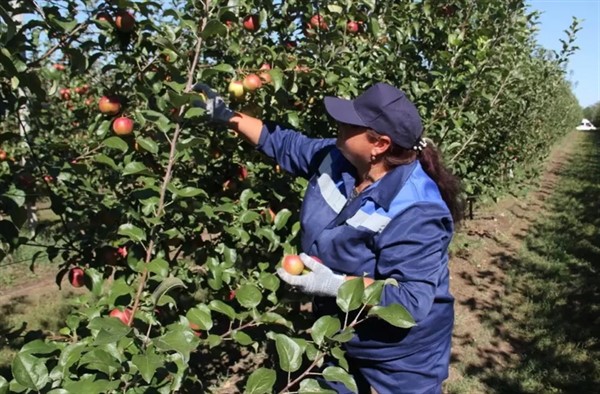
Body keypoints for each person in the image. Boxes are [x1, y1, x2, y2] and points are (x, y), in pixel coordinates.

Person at [194, 81, 463, 394]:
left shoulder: (416, 209)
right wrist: (227, 115)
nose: (340, 125)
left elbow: (411, 300)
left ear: (379, 145)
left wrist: (332, 283)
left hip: (402, 354)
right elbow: (282, 143)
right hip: (339, 332)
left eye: (352, 125)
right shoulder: (336, 159)